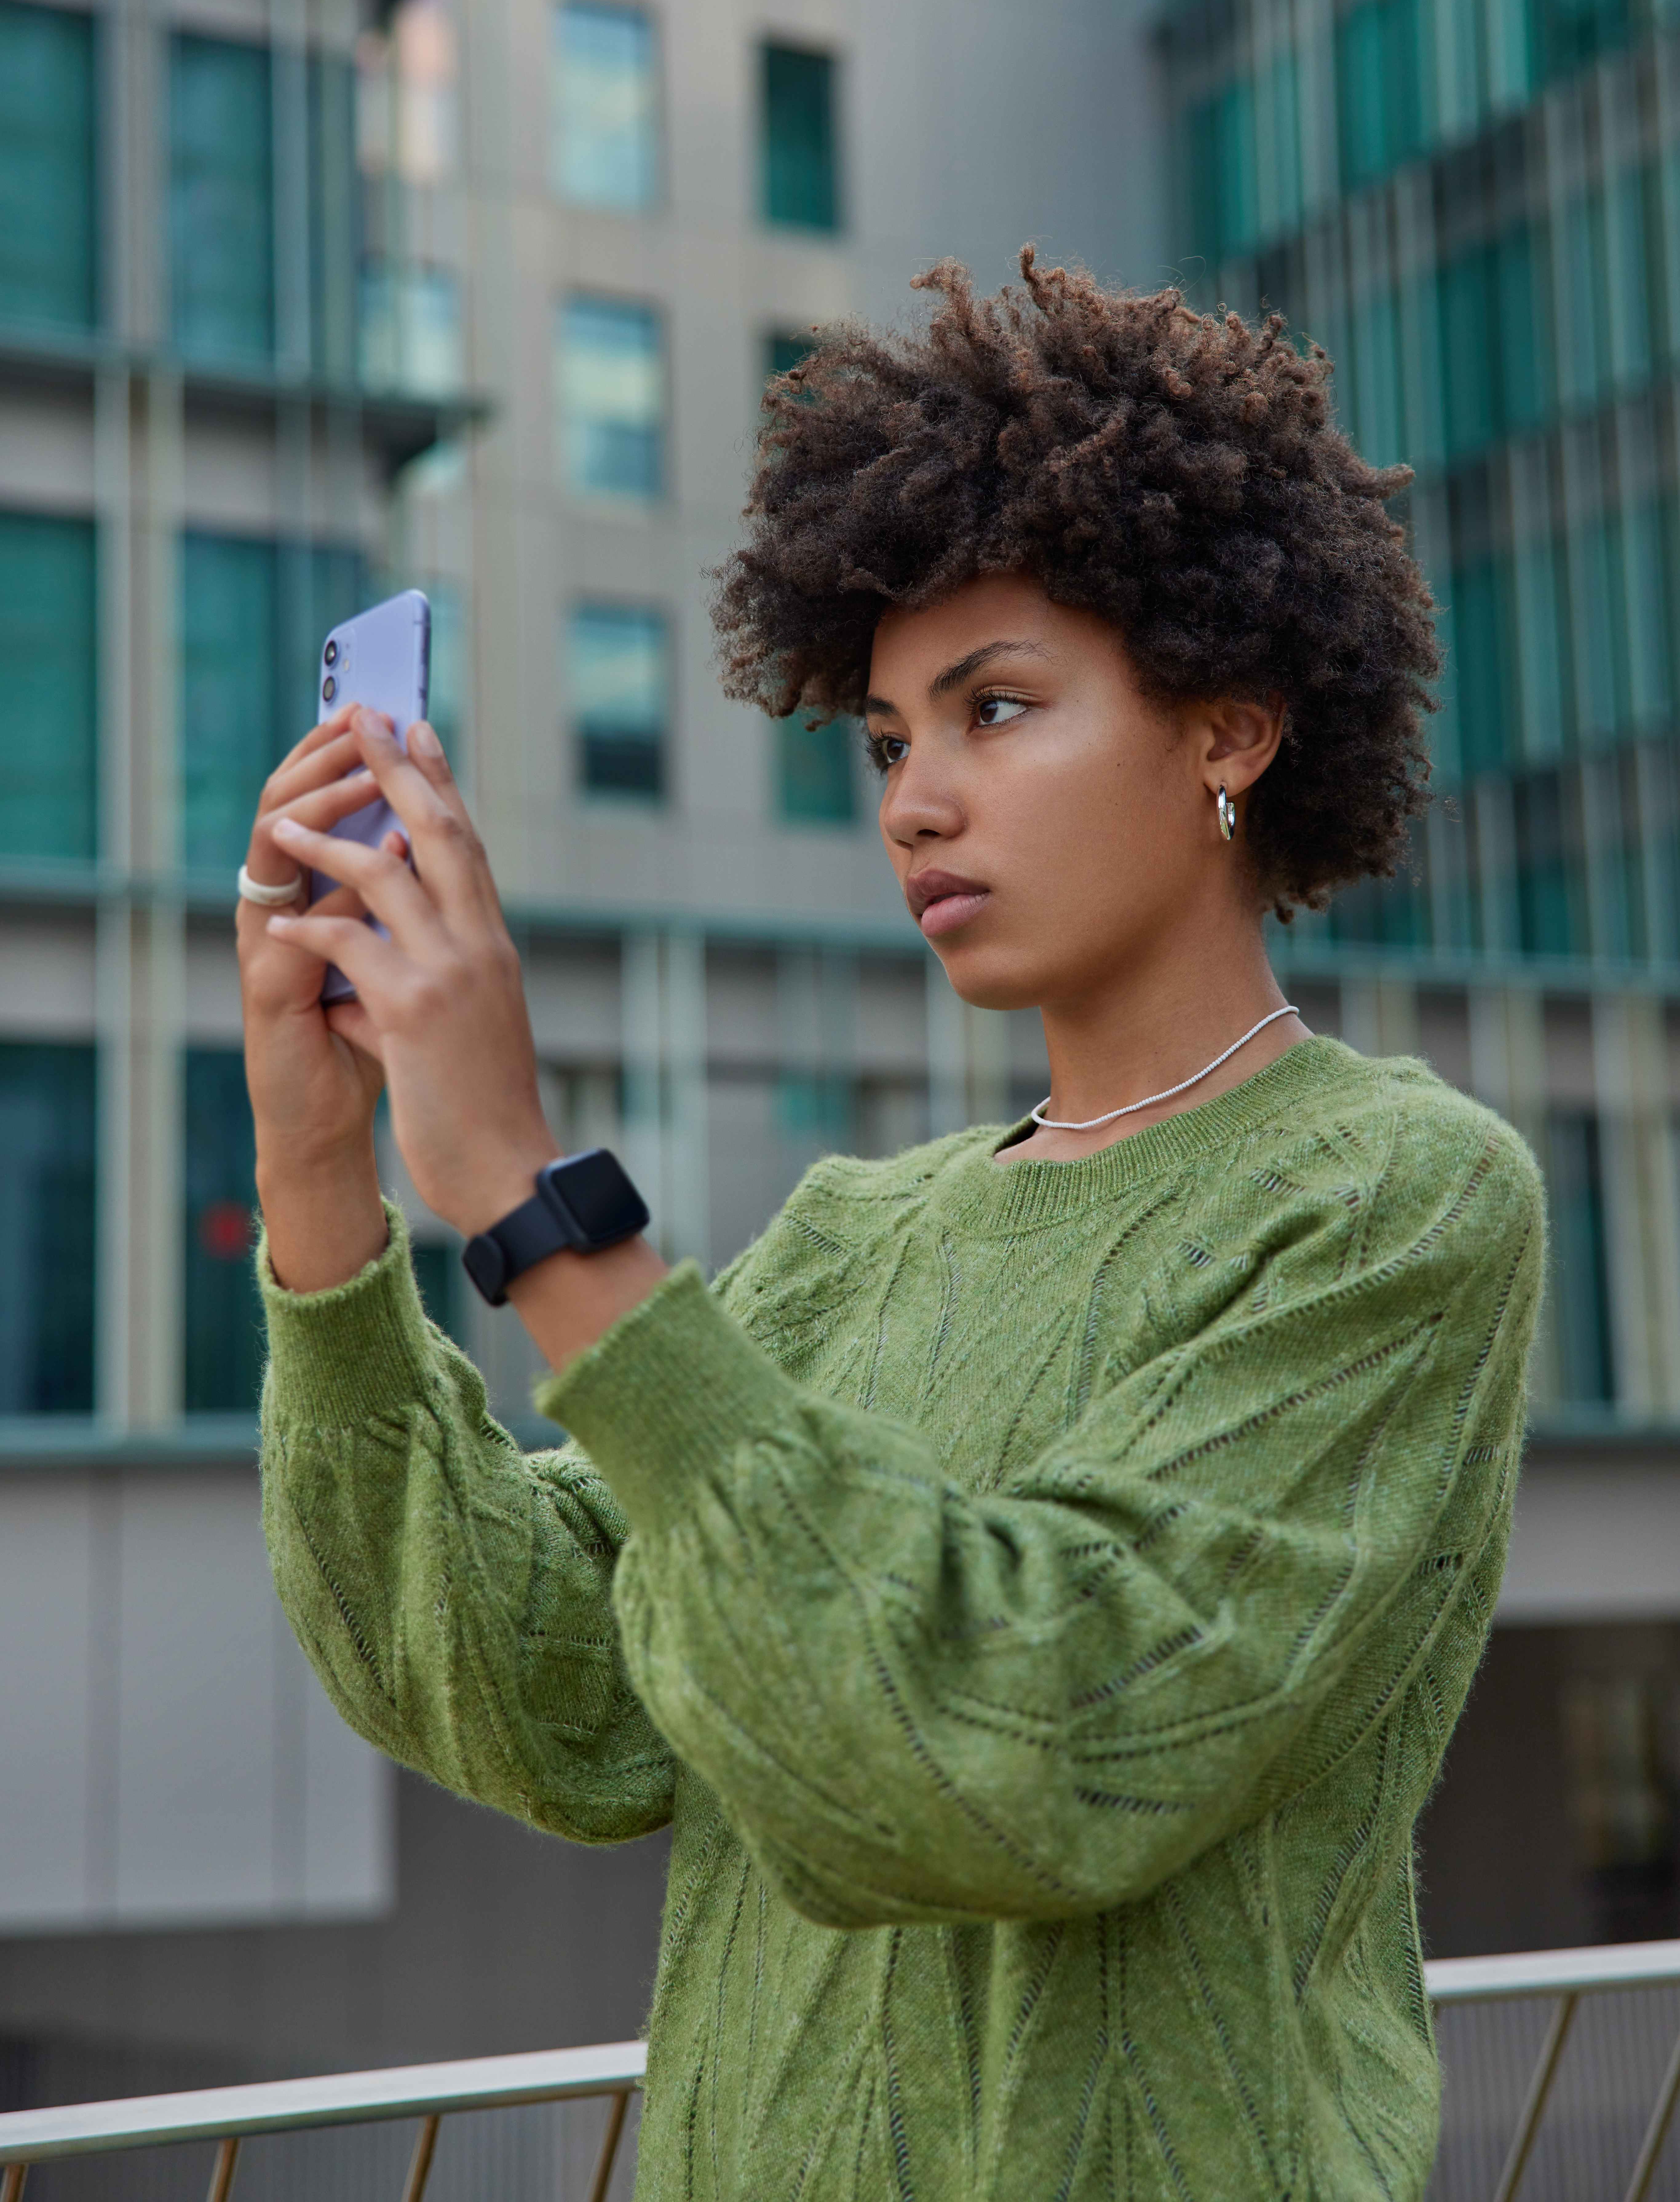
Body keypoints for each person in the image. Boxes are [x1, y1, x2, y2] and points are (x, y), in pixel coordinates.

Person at [243, 254, 1543, 2202]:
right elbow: (550, 1701)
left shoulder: (1392, 1199)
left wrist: (529, 1193)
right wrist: (317, 1168)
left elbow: (1012, 1751)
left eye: (992, 710)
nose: (914, 804)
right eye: (881, 741)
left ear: (1229, 731)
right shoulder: (859, 1232)